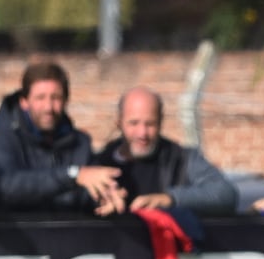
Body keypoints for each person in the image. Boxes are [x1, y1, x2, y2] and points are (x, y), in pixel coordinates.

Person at [0, 61, 126, 217]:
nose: (48, 107)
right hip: (14, 238)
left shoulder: (81, 143)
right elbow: (6, 188)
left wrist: (105, 197)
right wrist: (72, 175)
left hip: (68, 238)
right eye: (40, 98)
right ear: (24, 102)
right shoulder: (0, 139)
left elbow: (89, 189)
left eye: (56, 98)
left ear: (66, 100)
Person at [95, 87, 239, 215]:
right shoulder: (99, 163)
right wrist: (98, 198)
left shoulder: (181, 159)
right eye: (134, 123)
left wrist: (170, 199)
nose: (142, 133)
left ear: (161, 122)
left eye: (150, 124)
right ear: (119, 122)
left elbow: (225, 194)